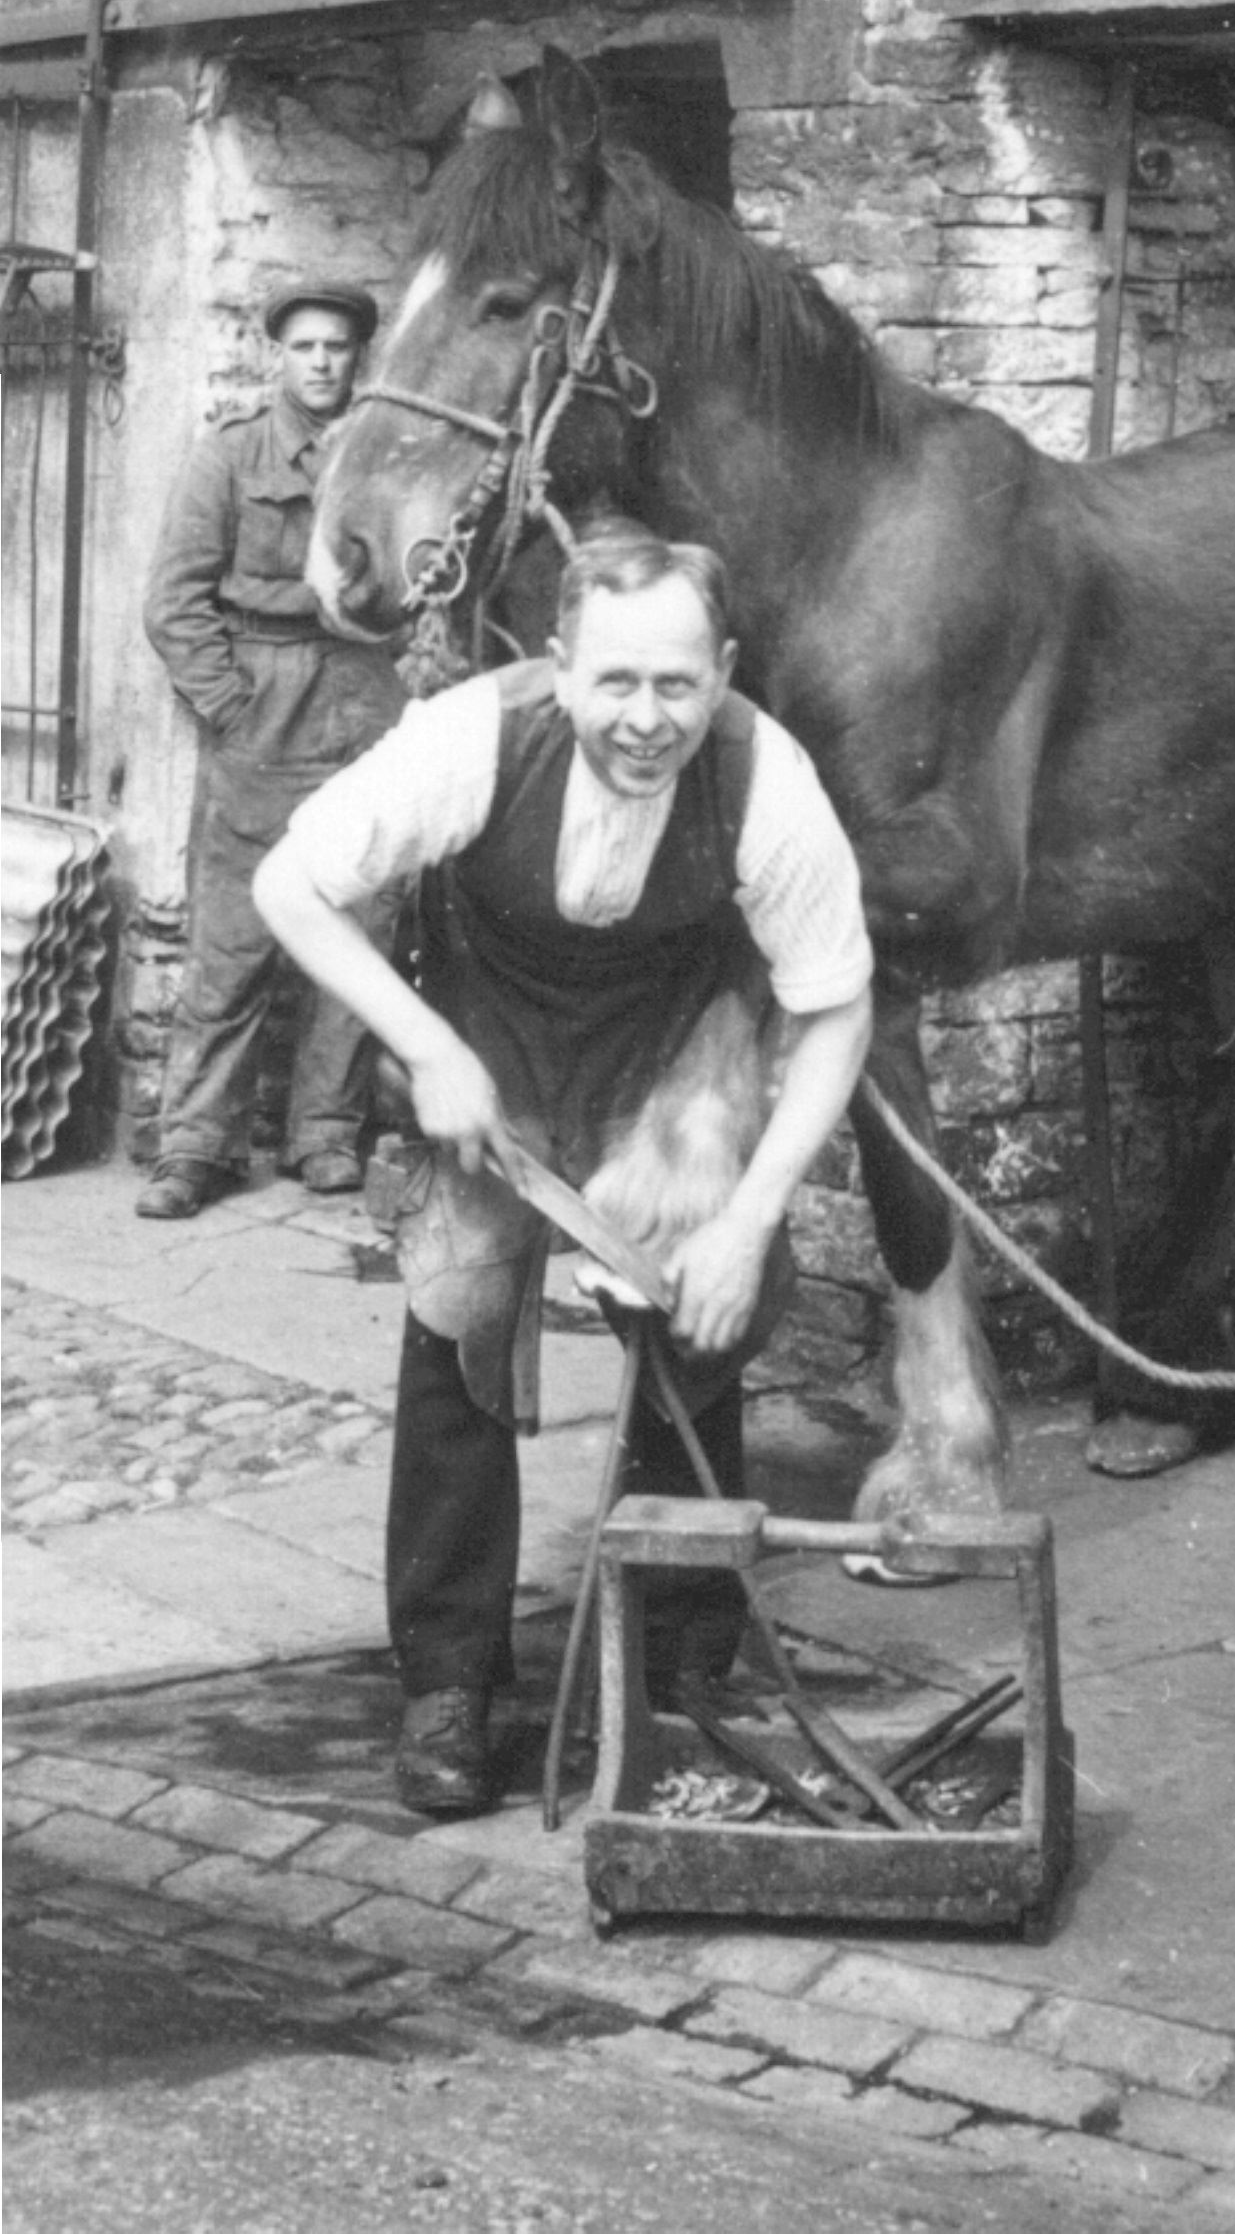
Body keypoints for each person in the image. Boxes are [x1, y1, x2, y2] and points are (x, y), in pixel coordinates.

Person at [253, 523, 874, 1816]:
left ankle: (679, 1668)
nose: (646, 719)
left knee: (699, 1323)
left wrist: (750, 1214)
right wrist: (424, 1049)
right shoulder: (472, 738)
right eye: (615, 683)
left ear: (723, 672)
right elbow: (288, 883)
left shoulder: (767, 777)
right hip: (492, 1050)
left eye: (677, 686)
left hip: (672, 1055)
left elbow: (834, 1008)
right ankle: (448, 1680)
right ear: (559, 661)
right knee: (462, 1317)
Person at [139, 282, 406, 1217]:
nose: (324, 363)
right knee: (234, 940)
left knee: (360, 922)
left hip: (368, 700)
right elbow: (174, 601)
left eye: (338, 347)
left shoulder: (388, 456)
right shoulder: (231, 456)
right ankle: (196, 1147)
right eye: (306, 348)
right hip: (267, 704)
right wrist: (233, 707)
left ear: (358, 357)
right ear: (278, 358)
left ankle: (326, 1137)